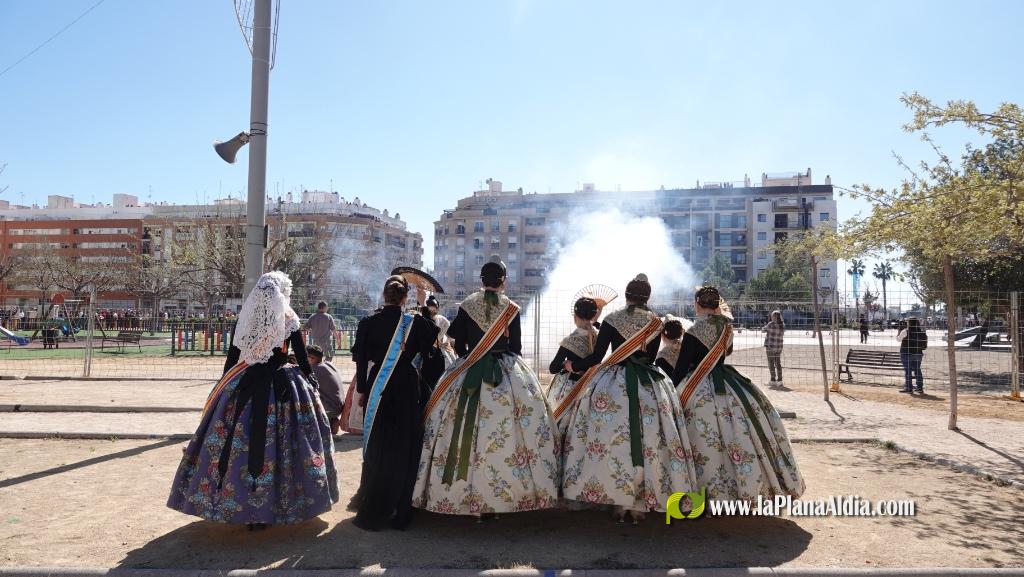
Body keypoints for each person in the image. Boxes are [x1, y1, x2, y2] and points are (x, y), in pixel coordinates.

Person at [167, 271, 339, 528]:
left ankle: (238, 502)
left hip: (245, 382)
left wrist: (225, 382)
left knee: (238, 439)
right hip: (282, 386)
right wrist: (311, 381)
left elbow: (233, 356)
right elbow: (302, 357)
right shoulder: (288, 318)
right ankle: (278, 505)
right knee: (286, 443)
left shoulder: (245, 318)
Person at [413, 256, 559, 518]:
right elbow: (515, 347)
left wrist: (465, 356)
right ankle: (504, 498)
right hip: (505, 372)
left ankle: (459, 497)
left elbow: (455, 335)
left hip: (469, 368)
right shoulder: (511, 307)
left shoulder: (468, 304)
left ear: (482, 280)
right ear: (503, 281)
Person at [560, 274, 696, 523]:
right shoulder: (656, 323)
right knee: (653, 441)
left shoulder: (611, 319)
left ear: (626, 296)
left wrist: (573, 366)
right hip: (649, 384)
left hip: (612, 384)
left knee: (607, 440)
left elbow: (597, 357)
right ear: (647, 298)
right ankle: (646, 499)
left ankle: (615, 496)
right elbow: (652, 357)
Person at [672, 286, 804, 503]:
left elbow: (682, 366)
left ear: (697, 304)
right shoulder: (727, 327)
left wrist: (672, 392)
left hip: (696, 386)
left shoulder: (694, 331)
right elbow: (728, 352)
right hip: (729, 384)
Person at [351, 275, 439, 531]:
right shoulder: (412, 322)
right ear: (404, 299)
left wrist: (363, 389)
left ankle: (371, 499)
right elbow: (431, 341)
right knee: (403, 445)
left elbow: (359, 358)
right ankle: (401, 507)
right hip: (406, 387)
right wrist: (423, 307)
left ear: (384, 295)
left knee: (377, 444)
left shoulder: (369, 322)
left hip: (379, 385)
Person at [546, 297, 602, 438]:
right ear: (593, 315)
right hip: (592, 384)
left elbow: (553, 368)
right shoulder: (597, 335)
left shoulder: (570, 341)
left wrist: (565, 365)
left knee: (558, 425)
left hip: (570, 388)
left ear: (575, 316)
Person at [308, 344, 346, 433]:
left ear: (311, 358)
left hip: (331, 408)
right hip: (338, 407)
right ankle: (331, 420)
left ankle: (325, 422)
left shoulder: (314, 369)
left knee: (303, 394)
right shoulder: (328, 364)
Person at [898, 317, 928, 393]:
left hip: (906, 353)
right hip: (918, 353)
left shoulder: (905, 331)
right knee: (917, 370)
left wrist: (899, 332)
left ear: (909, 323)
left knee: (908, 371)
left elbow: (898, 339)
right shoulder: (922, 332)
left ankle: (908, 387)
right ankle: (920, 388)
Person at [762, 310, 785, 387]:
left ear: (774, 317)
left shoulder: (771, 324)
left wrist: (766, 325)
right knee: (778, 363)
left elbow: (763, 330)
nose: (771, 317)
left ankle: (773, 380)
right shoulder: (782, 325)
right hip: (779, 347)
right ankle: (780, 380)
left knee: (771, 363)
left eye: (772, 316)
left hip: (770, 347)